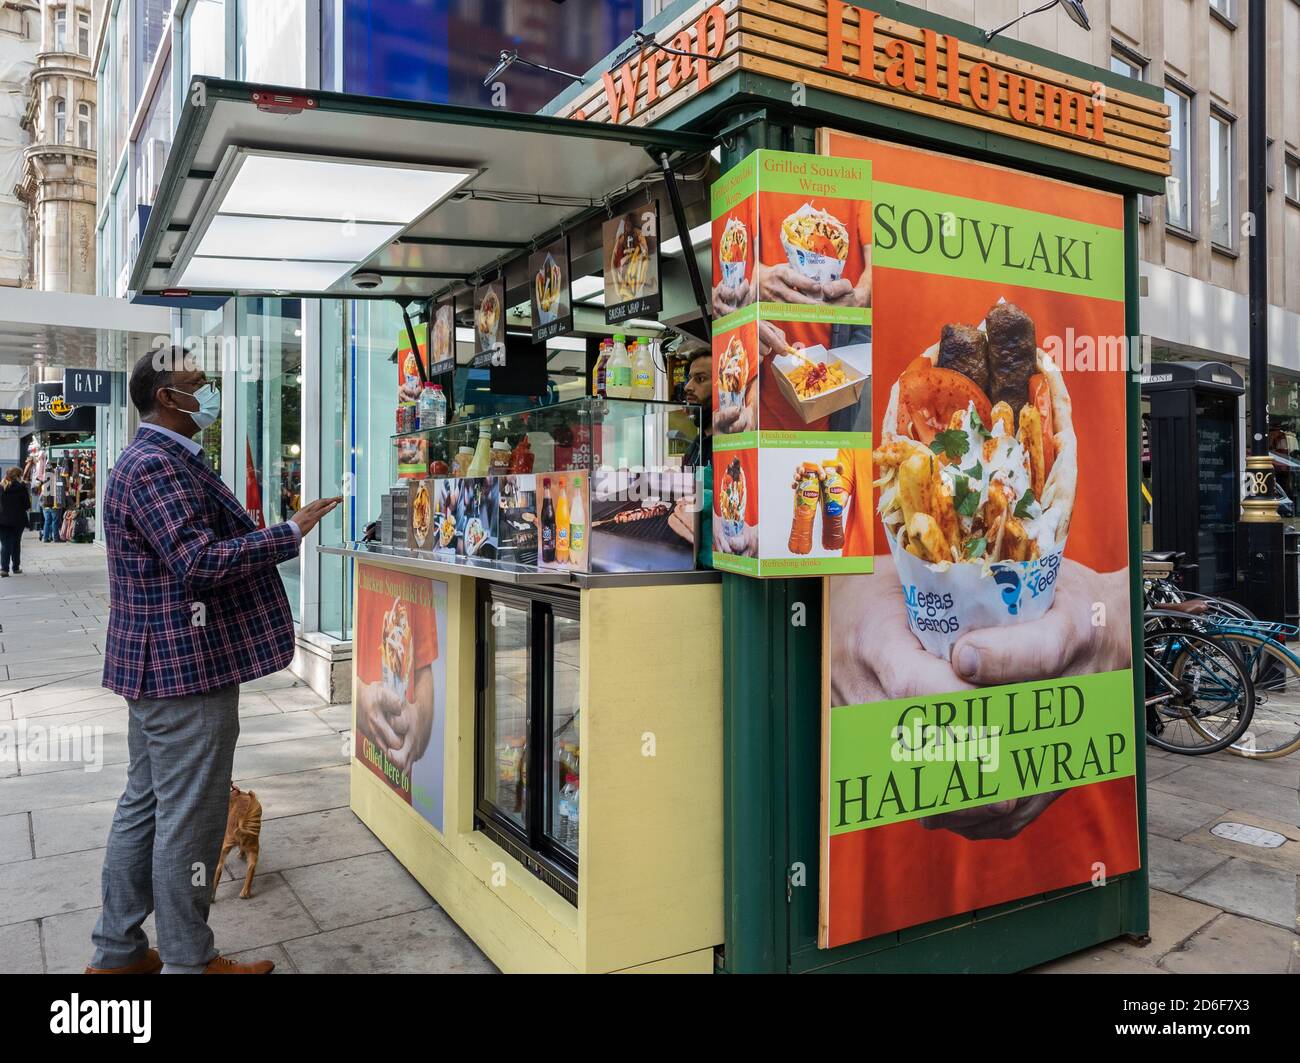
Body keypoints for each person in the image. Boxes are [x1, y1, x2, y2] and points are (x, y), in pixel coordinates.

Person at [88, 347, 340, 976]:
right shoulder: (156, 466)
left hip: (157, 668)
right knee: (190, 822)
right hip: (181, 669)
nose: (209, 393)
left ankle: (119, 953)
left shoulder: (155, 460)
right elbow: (197, 561)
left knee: (145, 807)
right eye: (199, 385)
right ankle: (188, 962)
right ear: (167, 397)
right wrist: (287, 533)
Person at [0, 466, 31, 575]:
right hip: (18, 520)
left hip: (2, 521)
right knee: (16, 543)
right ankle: (16, 567)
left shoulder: (1, 487)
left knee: (5, 544)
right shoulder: (22, 487)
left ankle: (4, 569)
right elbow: (27, 505)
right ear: (18, 476)